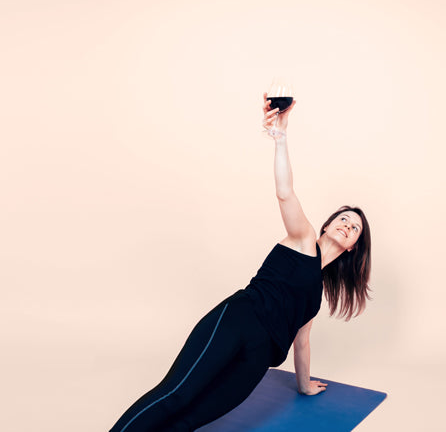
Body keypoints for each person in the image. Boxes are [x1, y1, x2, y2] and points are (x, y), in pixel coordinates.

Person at [109, 93, 372, 431]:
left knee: (194, 417)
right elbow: (285, 191)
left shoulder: (315, 295)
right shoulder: (303, 238)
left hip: (259, 359)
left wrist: (304, 385)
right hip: (238, 320)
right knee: (176, 394)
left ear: (353, 248)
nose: (347, 226)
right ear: (327, 224)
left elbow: (302, 341)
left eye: (355, 228)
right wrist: (281, 138)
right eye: (344, 219)